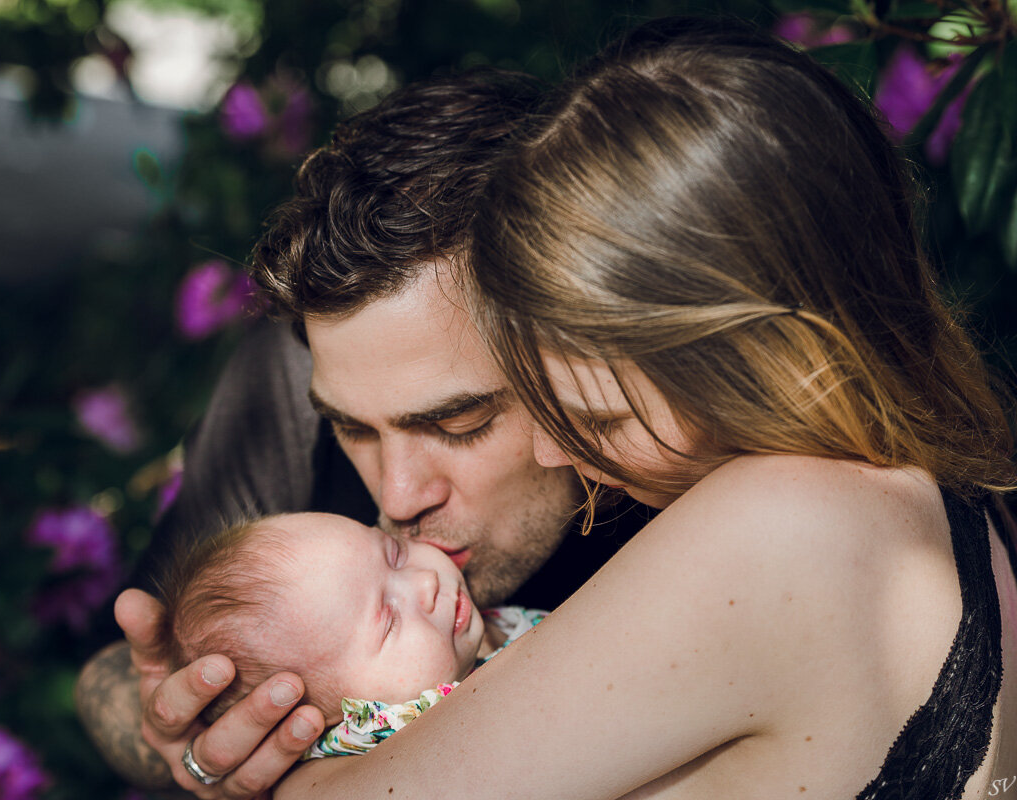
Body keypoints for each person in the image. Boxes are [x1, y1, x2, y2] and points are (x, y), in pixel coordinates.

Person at [266, 16, 1017, 800]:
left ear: (754, 358)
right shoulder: (967, 509)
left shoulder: (787, 523)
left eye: (600, 423)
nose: (557, 452)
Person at [74, 68, 652, 798]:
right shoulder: (299, 367)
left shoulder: (694, 452)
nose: (399, 496)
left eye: (458, 422)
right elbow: (112, 672)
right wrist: (174, 738)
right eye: (351, 429)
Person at [153, 511, 545, 762]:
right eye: (389, 621)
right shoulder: (403, 740)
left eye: (395, 553)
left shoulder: (475, 638)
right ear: (343, 719)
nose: (425, 581)